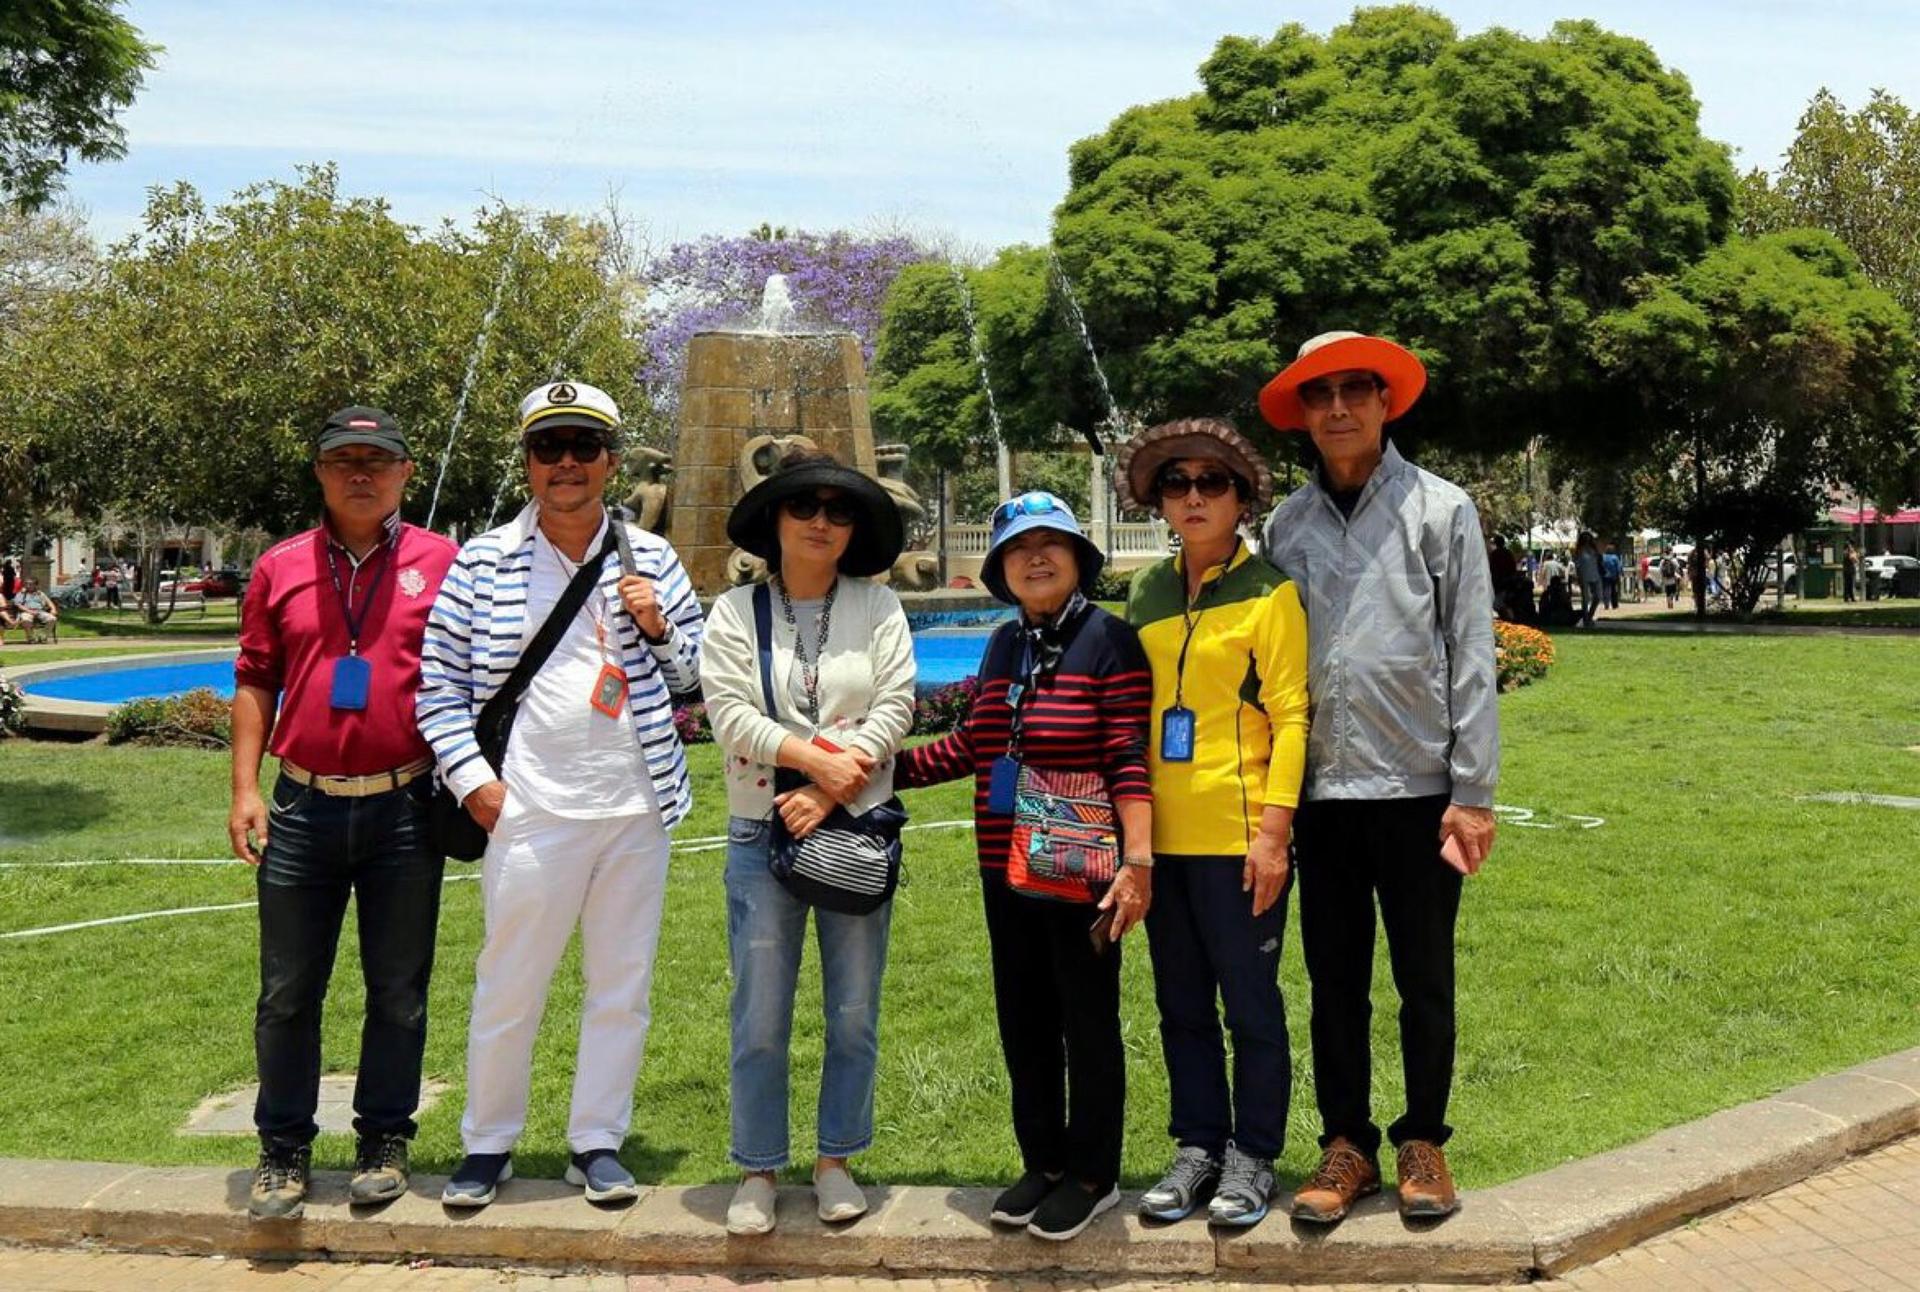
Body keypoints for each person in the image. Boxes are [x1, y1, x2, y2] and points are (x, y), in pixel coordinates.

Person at [418, 380, 705, 1209]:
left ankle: (597, 1141)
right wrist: (477, 786)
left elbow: (694, 681)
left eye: (584, 447)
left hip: (635, 808)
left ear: (611, 461)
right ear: (528, 462)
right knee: (510, 982)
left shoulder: (653, 559)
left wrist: (658, 628)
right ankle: (488, 1142)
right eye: (549, 447)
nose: (567, 463)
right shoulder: (482, 560)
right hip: (529, 809)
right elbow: (437, 687)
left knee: (622, 985)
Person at [1259, 331, 1499, 1223]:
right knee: (1334, 984)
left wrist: (1473, 793)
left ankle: (1424, 1139)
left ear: (1384, 401)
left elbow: (1471, 652)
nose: (1337, 409)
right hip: (1322, 794)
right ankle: (1347, 1143)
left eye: (1354, 390)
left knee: (1424, 979)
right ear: (1303, 414)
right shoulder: (1286, 527)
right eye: (1319, 395)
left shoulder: (1441, 510)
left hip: (1420, 790)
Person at [896, 492, 1154, 1242]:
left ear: (1077, 558)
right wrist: (878, 772)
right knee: (1024, 1019)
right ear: (1002, 570)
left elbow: (1127, 756)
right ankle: (1042, 1162)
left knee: (1087, 1021)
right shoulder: (1005, 643)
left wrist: (1138, 862)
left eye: (1051, 544)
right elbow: (976, 744)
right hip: (1004, 866)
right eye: (1017, 548)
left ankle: (1092, 1175)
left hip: (1081, 869)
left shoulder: (1109, 640)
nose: (1035, 558)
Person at [228, 406, 458, 1220]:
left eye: (378, 460)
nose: (361, 473)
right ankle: (283, 1149)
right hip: (303, 807)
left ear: (405, 473)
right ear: (321, 472)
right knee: (288, 991)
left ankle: (384, 1139)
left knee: (398, 990)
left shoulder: (445, 563)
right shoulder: (280, 566)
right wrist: (245, 789)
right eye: (343, 460)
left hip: (406, 808)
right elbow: (255, 678)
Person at [699, 449, 916, 1235]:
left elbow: (898, 704)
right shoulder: (735, 612)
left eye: (839, 510)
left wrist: (829, 787)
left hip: (854, 825)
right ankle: (758, 1167)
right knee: (760, 1012)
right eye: (804, 507)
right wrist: (814, 760)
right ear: (775, 520)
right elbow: (729, 715)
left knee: (854, 1009)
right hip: (762, 830)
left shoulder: (878, 605)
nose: (821, 522)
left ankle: (835, 1160)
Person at [1116, 420, 1309, 1229]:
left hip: (1239, 838)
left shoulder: (1270, 593)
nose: (1193, 496)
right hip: (1162, 845)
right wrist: (1132, 845)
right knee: (1181, 1007)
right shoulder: (1145, 594)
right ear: (1160, 502)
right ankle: (1197, 1146)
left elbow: (1292, 718)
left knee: (1250, 1007)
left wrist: (1273, 835)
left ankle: (1253, 1154)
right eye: (1177, 483)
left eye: (1211, 482)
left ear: (1241, 498)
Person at [1572, 532, 1603, 627]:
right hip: (1584, 576)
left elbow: (1599, 562)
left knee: (1598, 597)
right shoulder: (1579, 551)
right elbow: (1577, 565)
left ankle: (1590, 615)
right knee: (1586, 598)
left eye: (1588, 537)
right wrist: (1578, 576)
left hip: (1596, 575)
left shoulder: (1594, 550)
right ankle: (1586, 619)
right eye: (1585, 538)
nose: (1587, 540)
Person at [1601, 545, 1621, 609]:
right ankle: (1614, 604)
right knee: (1613, 590)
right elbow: (1618, 567)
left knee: (1605, 589)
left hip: (1604, 575)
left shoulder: (1603, 557)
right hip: (1613, 575)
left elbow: (1600, 565)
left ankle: (1606, 603)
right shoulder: (1615, 557)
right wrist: (1619, 574)